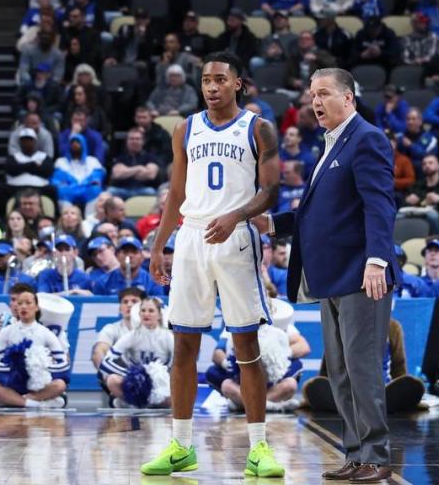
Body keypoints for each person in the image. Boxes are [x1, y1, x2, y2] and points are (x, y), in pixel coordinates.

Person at [143, 51, 284, 477]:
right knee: (184, 344)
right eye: (206, 80)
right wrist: (158, 245)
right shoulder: (185, 129)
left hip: (237, 239)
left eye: (221, 79)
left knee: (246, 346)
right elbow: (176, 193)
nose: (211, 87)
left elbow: (272, 190)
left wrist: (237, 216)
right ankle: (181, 445)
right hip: (191, 238)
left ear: (237, 83)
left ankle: (259, 447)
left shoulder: (259, 128)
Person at [256, 67, 399, 483]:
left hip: (360, 275)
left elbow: (380, 205)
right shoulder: (331, 145)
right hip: (331, 277)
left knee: (363, 368)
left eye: (323, 93)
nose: (314, 102)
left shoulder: (367, 139)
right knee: (338, 370)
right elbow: (318, 214)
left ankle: (376, 454)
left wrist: (377, 260)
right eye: (311, 95)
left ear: (348, 98)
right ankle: (356, 454)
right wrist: (273, 225)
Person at [0, 285, 70, 408]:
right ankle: (33, 403)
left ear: (36, 306)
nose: (22, 306)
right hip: (13, 381)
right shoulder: (5, 329)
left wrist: (40, 366)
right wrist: (13, 364)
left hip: (39, 383)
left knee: (60, 385)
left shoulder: (48, 330)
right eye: (17, 302)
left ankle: (16, 400)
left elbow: (64, 363)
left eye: (28, 302)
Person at [100, 297, 173, 408]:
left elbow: (179, 364)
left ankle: (135, 403)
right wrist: (132, 375)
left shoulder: (168, 336)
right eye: (143, 310)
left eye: (151, 311)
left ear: (159, 315)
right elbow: (106, 362)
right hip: (136, 384)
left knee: (177, 394)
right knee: (112, 380)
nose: (146, 314)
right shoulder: (133, 335)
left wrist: (161, 377)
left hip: (161, 384)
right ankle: (135, 401)